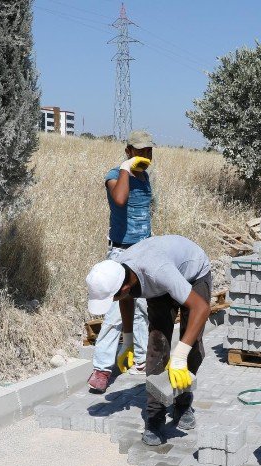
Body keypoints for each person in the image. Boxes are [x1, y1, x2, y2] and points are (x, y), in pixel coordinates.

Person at [85, 235, 212, 445]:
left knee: (191, 347)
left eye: (114, 297)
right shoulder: (119, 272)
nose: (116, 299)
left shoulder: (156, 271)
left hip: (193, 274)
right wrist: (128, 341)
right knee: (156, 347)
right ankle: (155, 418)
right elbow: (125, 300)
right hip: (161, 283)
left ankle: (183, 402)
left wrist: (180, 356)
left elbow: (202, 308)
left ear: (124, 287)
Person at [87, 130, 156, 393]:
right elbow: (120, 200)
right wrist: (126, 168)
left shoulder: (145, 177)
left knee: (140, 308)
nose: (144, 155)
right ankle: (102, 369)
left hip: (143, 251)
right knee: (116, 310)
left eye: (148, 151)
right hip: (121, 253)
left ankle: (139, 360)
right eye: (139, 151)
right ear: (128, 151)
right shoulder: (115, 175)